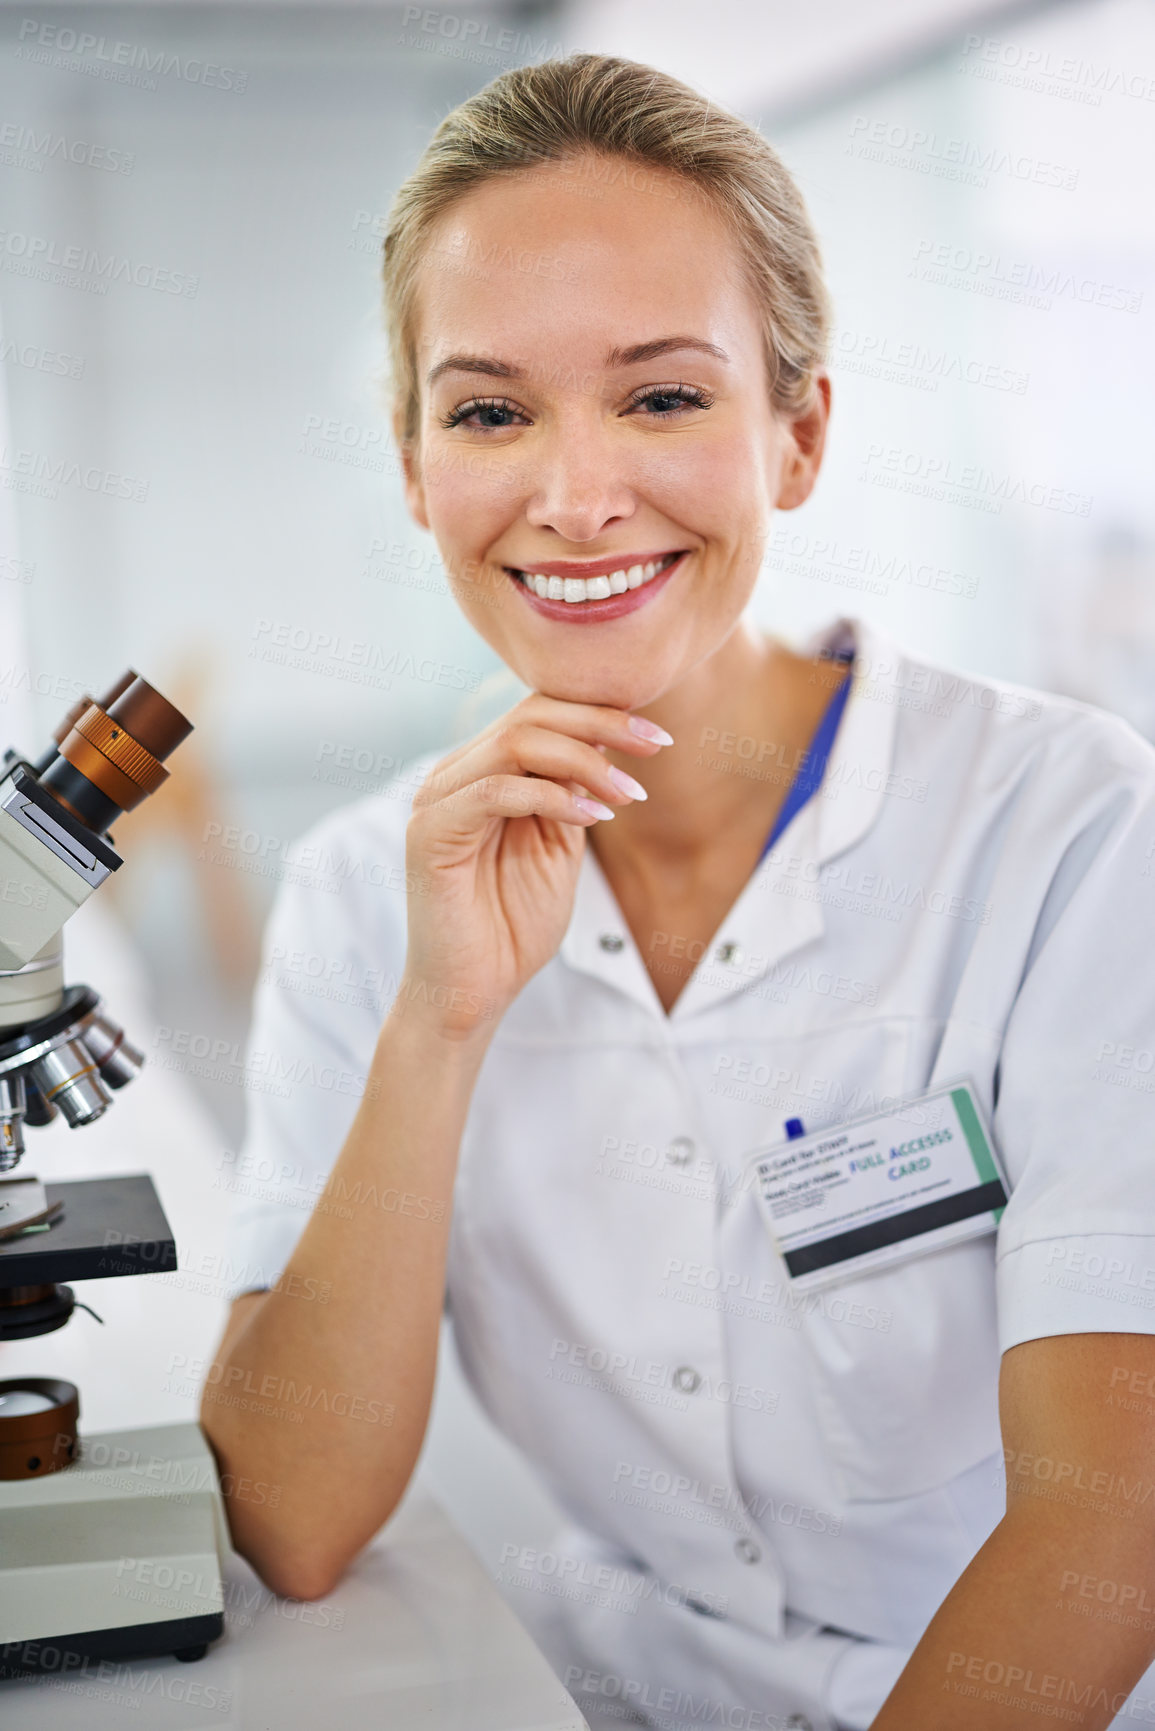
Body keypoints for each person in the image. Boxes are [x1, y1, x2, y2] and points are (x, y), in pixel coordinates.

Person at [200, 53, 1155, 1731]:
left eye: (661, 397)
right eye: (489, 410)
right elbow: (293, 1512)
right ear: (417, 465)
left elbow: (1114, 1519)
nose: (576, 497)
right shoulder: (365, 896)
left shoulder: (1071, 831)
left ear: (797, 434)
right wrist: (440, 1022)